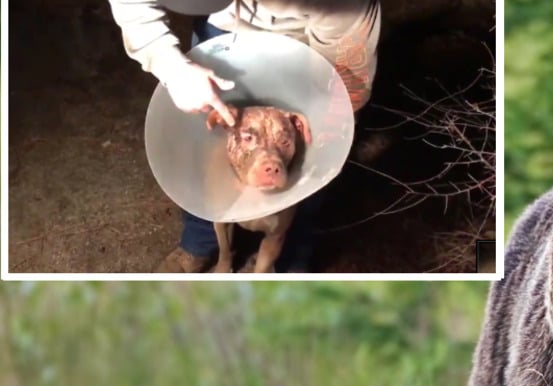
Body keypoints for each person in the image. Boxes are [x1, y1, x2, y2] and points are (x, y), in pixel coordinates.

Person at [107, 0, 381, 272]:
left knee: (314, 169)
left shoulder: (342, 5)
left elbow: (345, 86)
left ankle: (291, 264)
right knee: (202, 154)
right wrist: (172, 67)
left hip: (309, 36)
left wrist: (329, 124)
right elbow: (133, 6)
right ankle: (199, 244)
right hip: (221, 26)